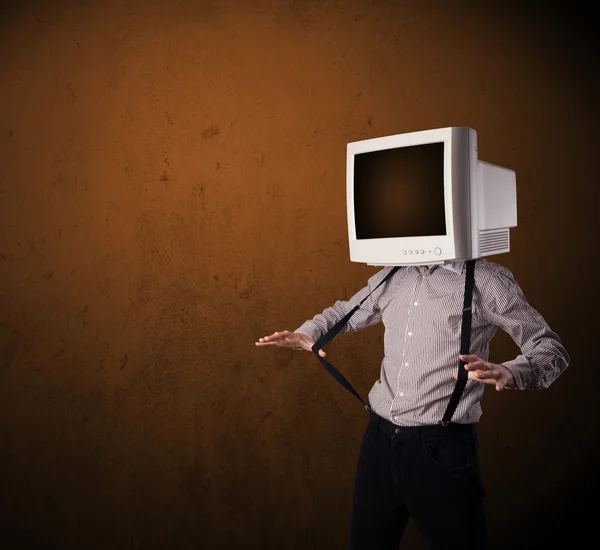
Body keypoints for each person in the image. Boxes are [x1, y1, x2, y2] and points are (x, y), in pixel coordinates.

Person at [255, 258, 569, 550]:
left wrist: (511, 371)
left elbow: (549, 349)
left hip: (441, 448)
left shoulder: (486, 280)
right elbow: (344, 312)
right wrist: (306, 333)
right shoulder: (394, 275)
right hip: (379, 442)